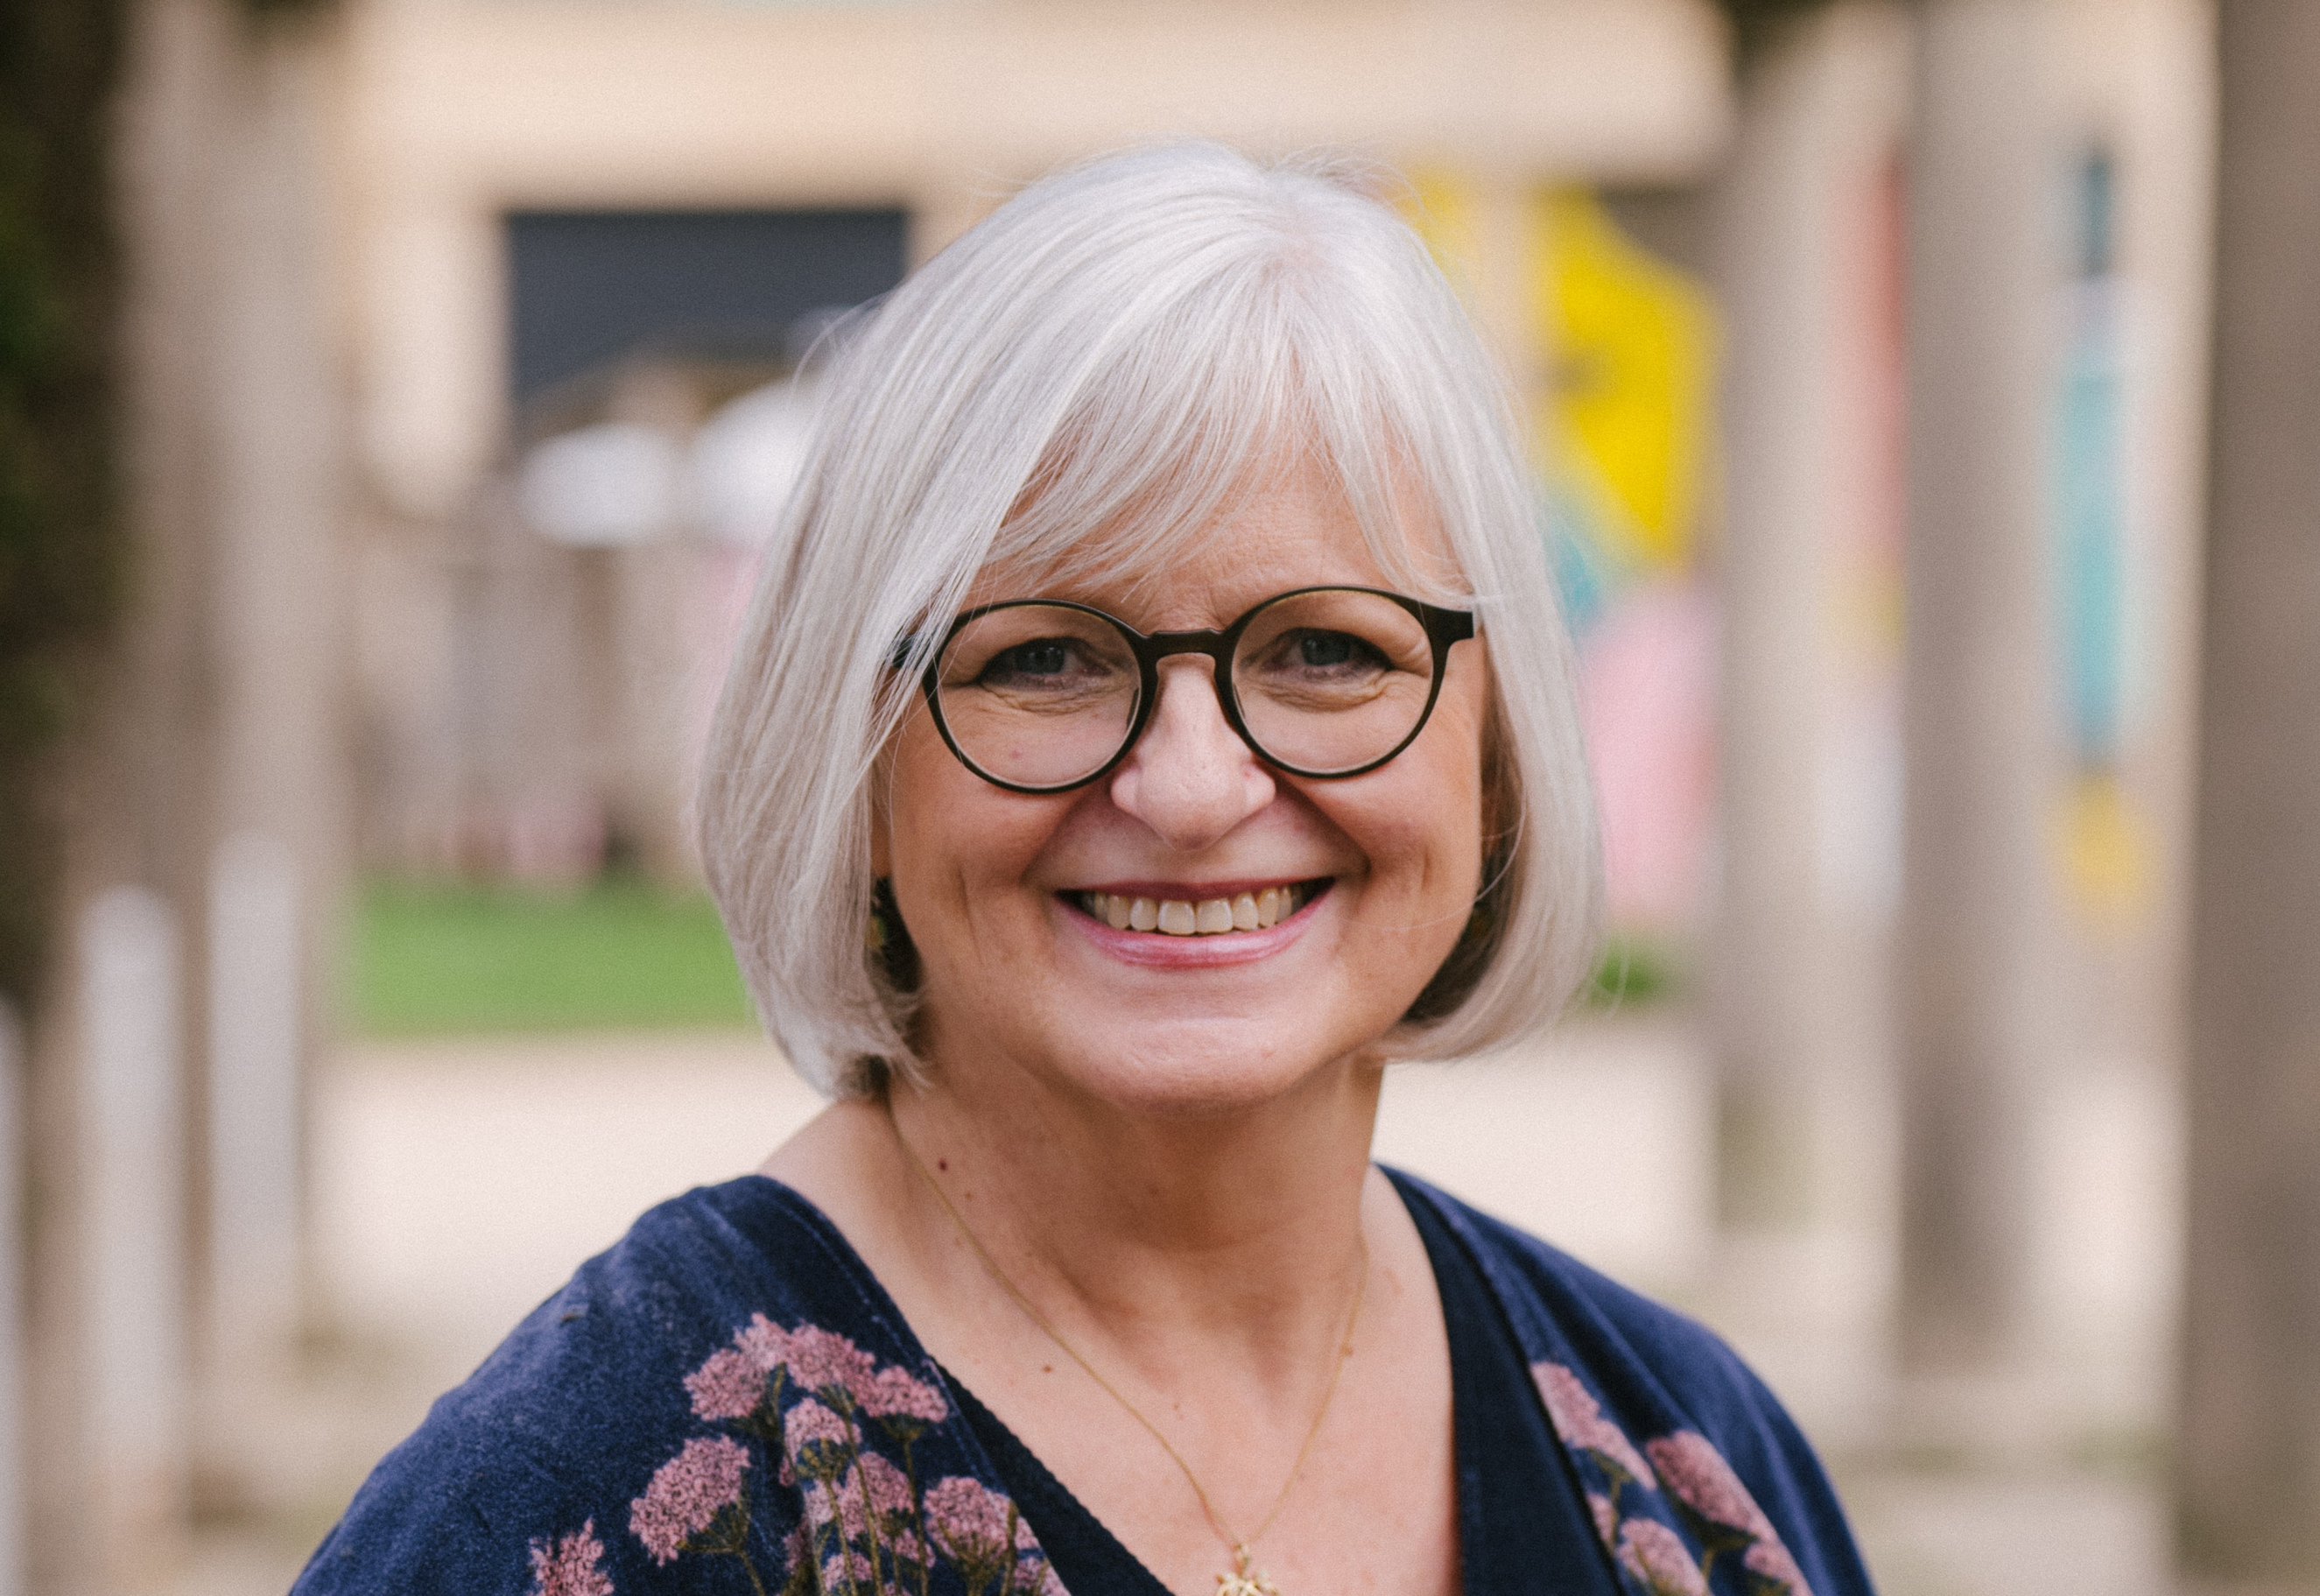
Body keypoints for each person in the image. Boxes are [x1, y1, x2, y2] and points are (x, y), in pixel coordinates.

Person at [293, 144, 1875, 1596]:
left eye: (1328, 648)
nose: (1191, 790)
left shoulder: (1694, 1467)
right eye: (1042, 658)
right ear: (853, 761)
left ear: (1500, 739)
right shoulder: (564, 1514)